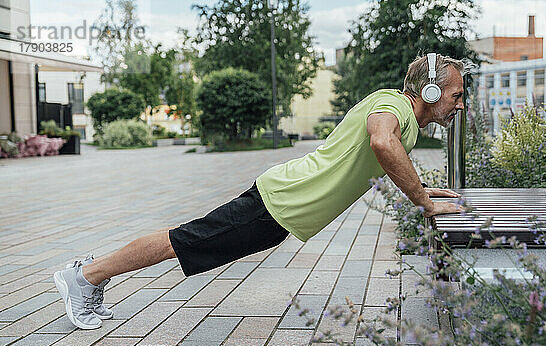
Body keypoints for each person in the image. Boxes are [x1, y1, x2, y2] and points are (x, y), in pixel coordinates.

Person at [54, 53, 466, 330]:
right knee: (182, 241)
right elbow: (381, 142)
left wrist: (426, 189)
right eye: (456, 95)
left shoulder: (401, 117)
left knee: (186, 241)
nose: (460, 105)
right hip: (276, 202)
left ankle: (90, 273)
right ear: (430, 92)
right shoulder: (392, 107)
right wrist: (422, 201)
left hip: (279, 211)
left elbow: (378, 155)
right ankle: (86, 275)